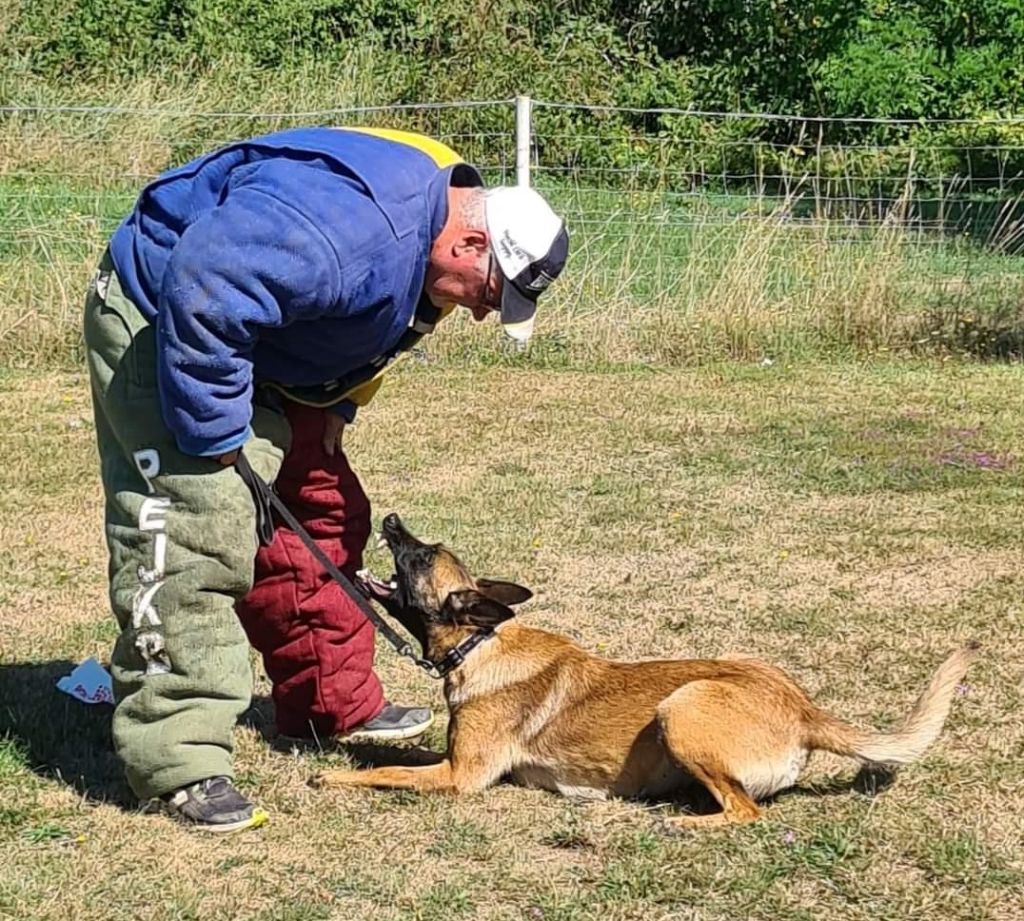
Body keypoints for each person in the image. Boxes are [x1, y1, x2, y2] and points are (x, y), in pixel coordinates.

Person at [83, 126, 569, 833]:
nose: (484, 311)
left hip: (254, 338)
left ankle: (328, 700)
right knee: (199, 522)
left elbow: (383, 312)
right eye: (491, 292)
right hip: (165, 318)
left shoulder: (440, 224)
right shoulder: (346, 233)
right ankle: (179, 759)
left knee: (327, 507)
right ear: (469, 245)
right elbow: (206, 281)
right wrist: (217, 433)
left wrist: (336, 401)